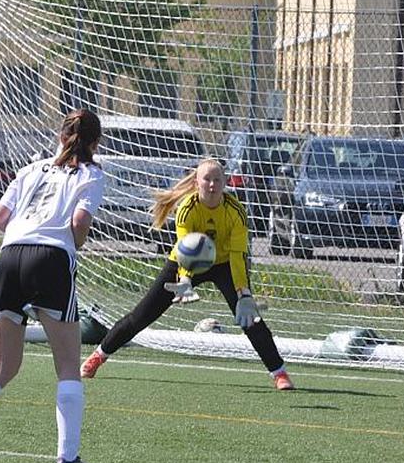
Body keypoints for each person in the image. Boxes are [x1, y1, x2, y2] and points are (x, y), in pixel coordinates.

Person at [0, 109, 105, 463]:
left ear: (61, 137)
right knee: (69, 367)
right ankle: (67, 458)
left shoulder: (30, 169)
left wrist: (25, 235)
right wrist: (74, 241)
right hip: (51, 260)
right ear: (95, 143)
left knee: (3, 365)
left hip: (10, 257)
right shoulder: (90, 173)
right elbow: (80, 220)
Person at [81, 158, 295, 391]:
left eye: (217, 180)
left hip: (224, 264)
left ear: (224, 183)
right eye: (207, 179)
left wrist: (243, 293)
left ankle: (279, 373)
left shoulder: (236, 211)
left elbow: (238, 255)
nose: (212, 185)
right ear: (197, 182)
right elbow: (186, 248)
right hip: (187, 262)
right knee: (142, 315)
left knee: (250, 318)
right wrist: (185, 279)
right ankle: (99, 356)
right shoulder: (187, 208)